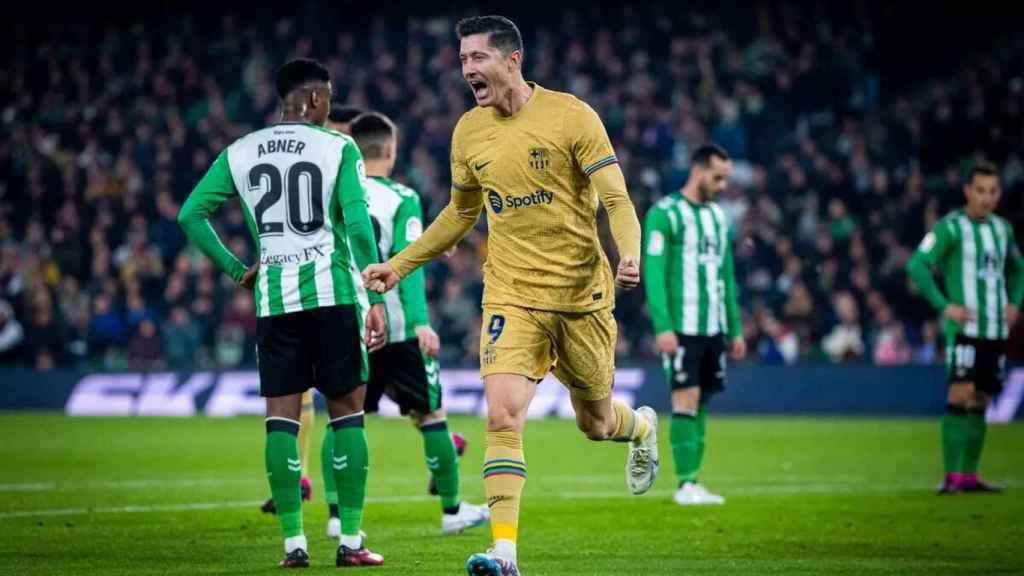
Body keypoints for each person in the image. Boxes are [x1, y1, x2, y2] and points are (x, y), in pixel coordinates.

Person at [362, 16, 658, 576]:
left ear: (512, 60)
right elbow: (460, 214)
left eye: (478, 57)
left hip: (581, 296)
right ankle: (504, 554)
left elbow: (616, 199)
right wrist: (398, 268)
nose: (468, 68)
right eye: (463, 59)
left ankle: (640, 427)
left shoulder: (571, 116)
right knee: (501, 417)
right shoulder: (469, 132)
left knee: (594, 422)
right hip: (511, 294)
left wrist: (630, 252)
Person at [178, 58, 385, 567]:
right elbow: (358, 226)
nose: (330, 106)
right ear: (315, 99)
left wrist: (234, 268)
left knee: (280, 424)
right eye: (330, 97)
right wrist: (376, 296)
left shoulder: (241, 150)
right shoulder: (339, 146)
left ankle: (293, 543)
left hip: (275, 302)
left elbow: (190, 214)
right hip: (333, 297)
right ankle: (351, 542)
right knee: (348, 417)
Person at [327, 110, 488, 535]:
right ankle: (453, 511)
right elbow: (407, 264)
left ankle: (334, 517)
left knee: (342, 417)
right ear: (391, 151)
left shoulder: (332, 193)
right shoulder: (402, 198)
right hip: (395, 326)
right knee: (431, 414)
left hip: (347, 323)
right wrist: (420, 321)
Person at [907, 161, 1023, 494]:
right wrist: (946, 306)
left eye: (993, 191)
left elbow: (1018, 269)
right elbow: (918, 265)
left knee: (981, 401)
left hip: (995, 330)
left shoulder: (1003, 230)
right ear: (967, 192)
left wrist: (1014, 303)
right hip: (966, 330)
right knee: (960, 397)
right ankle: (950, 477)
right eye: (981, 191)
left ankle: (969, 476)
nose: (987, 198)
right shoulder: (951, 228)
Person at [643, 144, 746, 506]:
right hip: (682, 326)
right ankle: (685, 484)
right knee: (685, 398)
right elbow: (653, 275)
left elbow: (726, 275)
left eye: (725, 178)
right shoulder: (664, 214)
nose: (721, 185)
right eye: (717, 177)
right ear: (699, 170)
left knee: (702, 400)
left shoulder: (719, 218)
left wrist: (735, 328)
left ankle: (694, 481)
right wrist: (663, 326)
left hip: (713, 326)